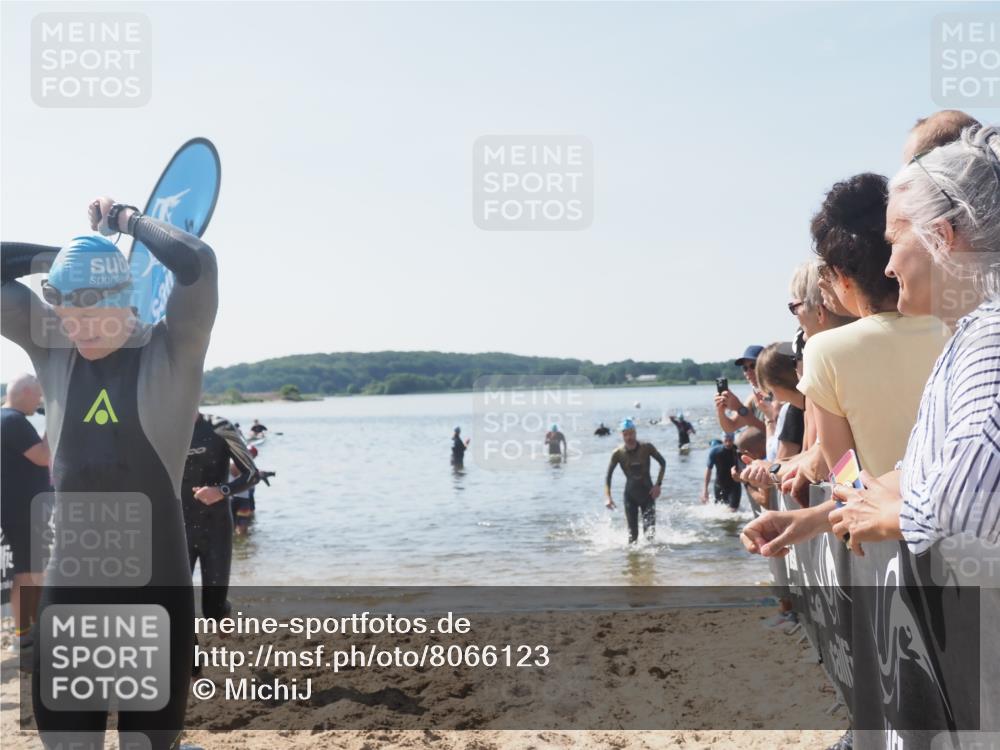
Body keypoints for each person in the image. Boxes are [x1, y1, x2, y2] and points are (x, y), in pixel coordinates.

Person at [2, 196, 217, 749]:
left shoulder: (174, 350)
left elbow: (197, 262)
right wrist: (62, 257)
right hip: (72, 588)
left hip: (155, 588)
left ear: (127, 299)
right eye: (68, 317)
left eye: (94, 314)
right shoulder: (54, 351)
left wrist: (124, 220)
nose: (80, 332)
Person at [742, 127, 1000, 559]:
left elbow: (842, 466)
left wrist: (866, 514)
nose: (890, 264)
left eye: (895, 241)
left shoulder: (985, 341)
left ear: (943, 235)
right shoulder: (953, 333)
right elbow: (931, 471)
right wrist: (819, 518)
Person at [797, 172, 950, 479]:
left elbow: (845, 475)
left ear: (841, 275)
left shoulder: (824, 351)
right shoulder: (954, 328)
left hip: (883, 524)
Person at [182, 413, 259, 620]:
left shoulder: (220, 427)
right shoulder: (160, 428)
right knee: (175, 602)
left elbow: (252, 474)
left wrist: (221, 490)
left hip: (215, 526)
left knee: (213, 611)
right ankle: (192, 651)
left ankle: (221, 612)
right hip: (175, 528)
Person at [1, 373, 51, 653]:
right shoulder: (13, 421)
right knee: (27, 573)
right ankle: (23, 636)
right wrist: (53, 424)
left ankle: (31, 630)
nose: (40, 401)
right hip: (21, 511)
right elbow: (43, 456)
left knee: (34, 571)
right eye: (38, 395)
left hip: (17, 509)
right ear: (25, 393)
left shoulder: (7, 420)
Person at [604, 419, 665, 543]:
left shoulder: (646, 447)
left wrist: (658, 485)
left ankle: (650, 562)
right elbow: (608, 476)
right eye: (625, 434)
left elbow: (663, 463)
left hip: (648, 495)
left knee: (650, 536)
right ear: (622, 435)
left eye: (631, 433)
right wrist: (608, 497)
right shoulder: (618, 453)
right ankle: (632, 562)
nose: (629, 437)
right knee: (632, 537)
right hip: (630, 497)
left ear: (635, 433)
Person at [702, 432, 742, 511]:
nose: (728, 442)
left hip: (735, 485)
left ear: (733, 439)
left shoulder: (737, 451)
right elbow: (709, 469)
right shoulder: (715, 451)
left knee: (733, 511)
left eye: (730, 440)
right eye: (726, 439)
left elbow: (744, 466)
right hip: (719, 485)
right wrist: (705, 489)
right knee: (720, 511)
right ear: (723, 439)